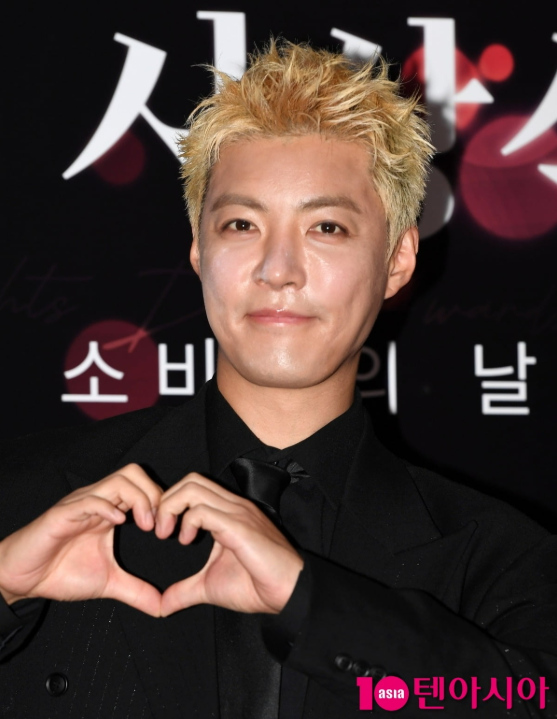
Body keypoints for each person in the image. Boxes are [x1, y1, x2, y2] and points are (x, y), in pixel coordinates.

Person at [0, 40, 555, 719]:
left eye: (326, 227)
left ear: (397, 260)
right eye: (242, 224)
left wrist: (311, 603)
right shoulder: (28, 502)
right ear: (199, 248)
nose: (278, 270)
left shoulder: (497, 555)